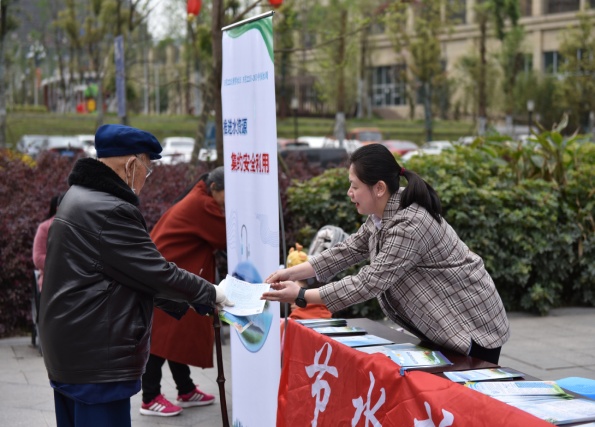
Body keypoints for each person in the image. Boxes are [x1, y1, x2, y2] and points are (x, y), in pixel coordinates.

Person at [38, 124, 233, 427]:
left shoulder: (76, 196)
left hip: (69, 348)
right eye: (147, 168)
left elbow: (128, 273)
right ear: (131, 164)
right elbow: (155, 271)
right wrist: (212, 293)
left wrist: (191, 301)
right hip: (95, 357)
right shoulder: (110, 209)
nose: (146, 178)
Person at [262, 143, 510, 364]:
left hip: (471, 325)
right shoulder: (381, 215)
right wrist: (289, 273)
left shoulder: (409, 224)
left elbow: (369, 282)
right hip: (443, 323)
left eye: (354, 185)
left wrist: (303, 294)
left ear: (379, 188)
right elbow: (347, 250)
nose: (350, 193)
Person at [140, 167, 226, 417]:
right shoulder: (202, 204)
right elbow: (224, 237)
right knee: (162, 337)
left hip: (169, 271)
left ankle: (185, 389)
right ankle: (150, 397)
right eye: (227, 195)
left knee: (175, 333)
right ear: (214, 189)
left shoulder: (200, 197)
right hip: (166, 276)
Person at [32, 193, 63, 291]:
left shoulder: (81, 226)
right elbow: (38, 258)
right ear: (58, 208)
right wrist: (62, 264)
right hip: (51, 284)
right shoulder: (45, 227)